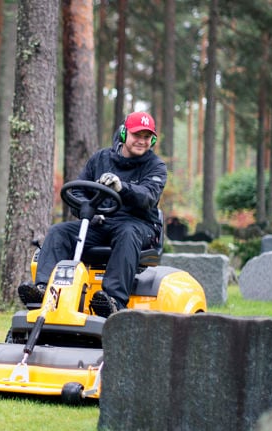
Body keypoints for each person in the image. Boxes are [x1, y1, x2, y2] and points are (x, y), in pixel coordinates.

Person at [18, 111, 167, 318]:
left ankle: (113, 300)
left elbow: (148, 196)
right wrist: (88, 211)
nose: (142, 141)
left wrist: (121, 187)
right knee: (59, 231)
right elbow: (79, 191)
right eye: (136, 135)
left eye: (146, 136)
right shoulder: (100, 159)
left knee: (127, 233)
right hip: (101, 223)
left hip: (138, 225)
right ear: (124, 134)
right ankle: (44, 289)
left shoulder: (156, 166)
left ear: (153, 140)